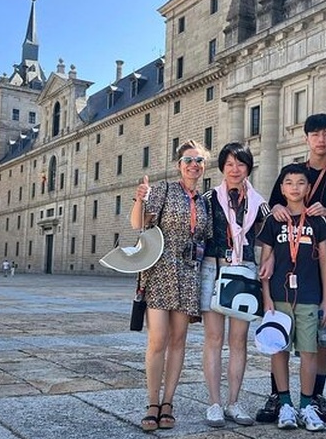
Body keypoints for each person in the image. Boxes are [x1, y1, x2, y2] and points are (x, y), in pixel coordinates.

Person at [259, 113, 326, 424]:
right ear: (306, 138)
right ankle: (278, 396)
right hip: (286, 269)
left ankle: (314, 396)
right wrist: (277, 209)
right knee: (279, 335)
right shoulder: (292, 173)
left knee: (324, 336)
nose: (321, 140)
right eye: (315, 134)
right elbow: (271, 209)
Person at [131, 139, 212, 433]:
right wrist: (140, 198)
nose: (194, 165)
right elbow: (138, 224)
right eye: (188, 160)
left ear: (204, 167)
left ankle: (168, 403)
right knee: (158, 340)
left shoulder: (204, 201)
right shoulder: (164, 190)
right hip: (160, 271)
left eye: (199, 161)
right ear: (179, 165)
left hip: (189, 274)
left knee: (179, 342)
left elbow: (206, 238)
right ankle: (152, 403)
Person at [257, 163, 326, 432]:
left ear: (308, 188)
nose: (295, 187)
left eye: (301, 182)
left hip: (310, 297)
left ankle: (306, 405)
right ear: (281, 188)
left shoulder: (317, 221)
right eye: (289, 183)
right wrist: (266, 298)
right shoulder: (273, 220)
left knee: (309, 351)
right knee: (279, 350)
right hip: (278, 297)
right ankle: (286, 403)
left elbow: (325, 262)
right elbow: (265, 261)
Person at [200, 142, 269, 427]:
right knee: (214, 339)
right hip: (213, 269)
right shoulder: (208, 199)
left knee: (238, 340)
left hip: (245, 272)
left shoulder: (259, 203)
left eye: (240, 164)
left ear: (248, 168)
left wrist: (268, 261)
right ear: (222, 168)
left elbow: (268, 238)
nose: (235, 169)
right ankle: (215, 403)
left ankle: (234, 402)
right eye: (229, 164)